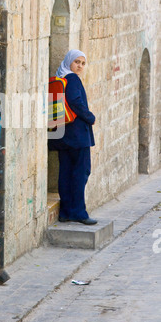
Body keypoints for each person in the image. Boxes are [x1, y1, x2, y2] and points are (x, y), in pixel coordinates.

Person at [48, 50, 97, 225]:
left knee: (66, 173)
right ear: (69, 61)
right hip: (77, 136)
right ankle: (79, 212)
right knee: (81, 172)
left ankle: (66, 212)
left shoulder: (60, 78)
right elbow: (76, 102)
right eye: (77, 62)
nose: (80, 66)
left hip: (63, 135)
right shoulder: (73, 79)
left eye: (83, 63)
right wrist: (90, 117)